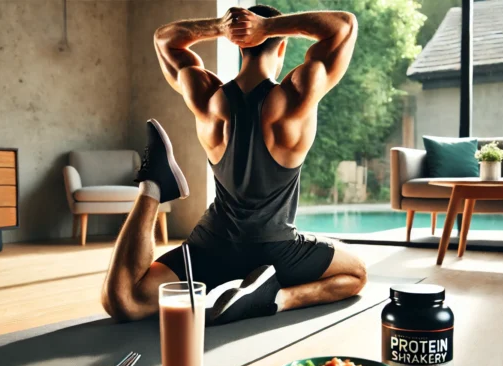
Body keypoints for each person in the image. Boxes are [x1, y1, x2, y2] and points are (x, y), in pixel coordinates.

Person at [101, 5, 363, 325]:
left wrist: (220, 27)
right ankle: (275, 298)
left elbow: (165, 40)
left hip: (212, 246)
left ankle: (152, 186)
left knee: (127, 300)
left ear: (239, 46)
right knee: (356, 275)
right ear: (280, 46)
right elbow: (344, 26)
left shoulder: (208, 98)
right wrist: (268, 27)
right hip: (275, 250)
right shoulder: (296, 96)